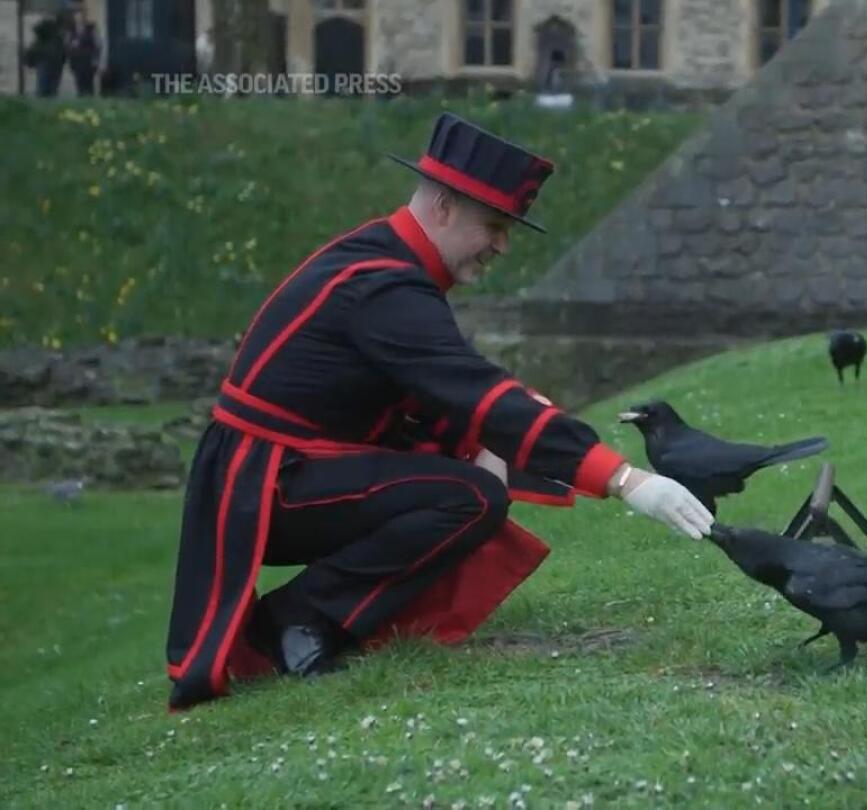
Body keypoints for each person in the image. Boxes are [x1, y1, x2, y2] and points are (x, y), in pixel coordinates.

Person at [164, 112, 714, 711]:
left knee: (476, 482)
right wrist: (626, 480)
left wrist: (490, 441)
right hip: (265, 484)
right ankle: (297, 618)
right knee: (471, 497)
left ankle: (312, 616)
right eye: (495, 225)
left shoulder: (386, 264)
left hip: (280, 470)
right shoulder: (386, 286)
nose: (502, 244)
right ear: (445, 206)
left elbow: (449, 390)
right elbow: (477, 392)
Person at [23, 17, 67, 98]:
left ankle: (44, 100)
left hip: (46, 62)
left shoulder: (43, 39)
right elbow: (63, 53)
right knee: (51, 87)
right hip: (54, 63)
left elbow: (32, 51)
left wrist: (29, 61)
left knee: (44, 86)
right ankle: (48, 101)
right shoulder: (56, 38)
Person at [65, 6, 102, 97]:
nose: (79, 18)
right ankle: (81, 99)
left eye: (81, 16)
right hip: (76, 60)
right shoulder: (71, 29)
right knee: (79, 82)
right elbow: (66, 44)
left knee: (89, 83)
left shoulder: (91, 28)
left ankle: (89, 101)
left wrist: (96, 59)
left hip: (88, 60)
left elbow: (98, 44)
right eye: (77, 16)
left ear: (85, 17)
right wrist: (72, 45)